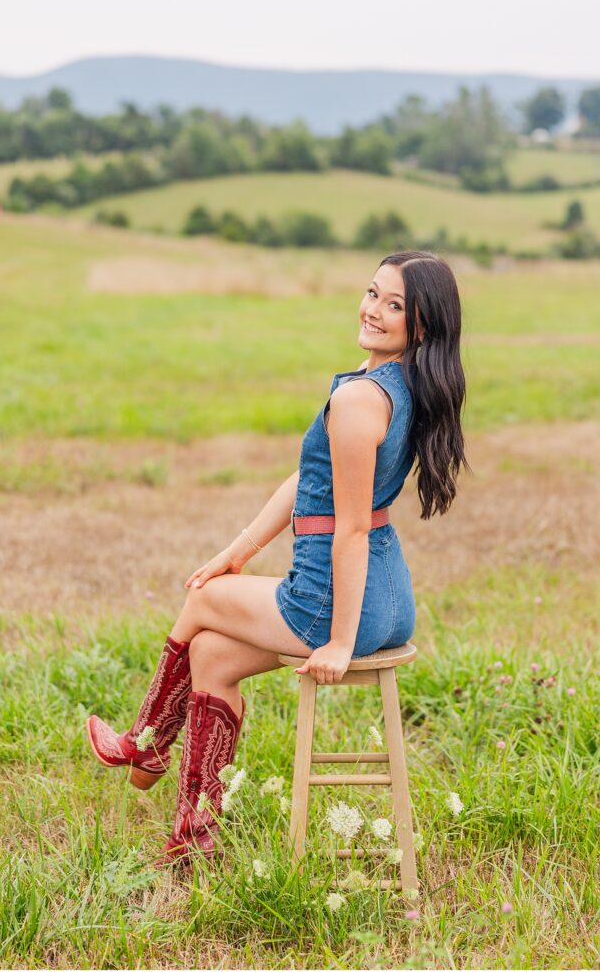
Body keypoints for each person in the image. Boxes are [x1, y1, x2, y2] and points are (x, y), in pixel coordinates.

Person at [86, 249, 469, 867]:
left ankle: (148, 741)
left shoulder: (359, 400)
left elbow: (345, 530)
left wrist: (340, 642)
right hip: (389, 598)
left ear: (419, 325)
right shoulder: (397, 386)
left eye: (393, 305)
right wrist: (237, 551)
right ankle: (195, 836)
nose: (372, 309)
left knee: (203, 598)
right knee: (210, 653)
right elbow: (309, 481)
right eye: (372, 293)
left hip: (336, 601)